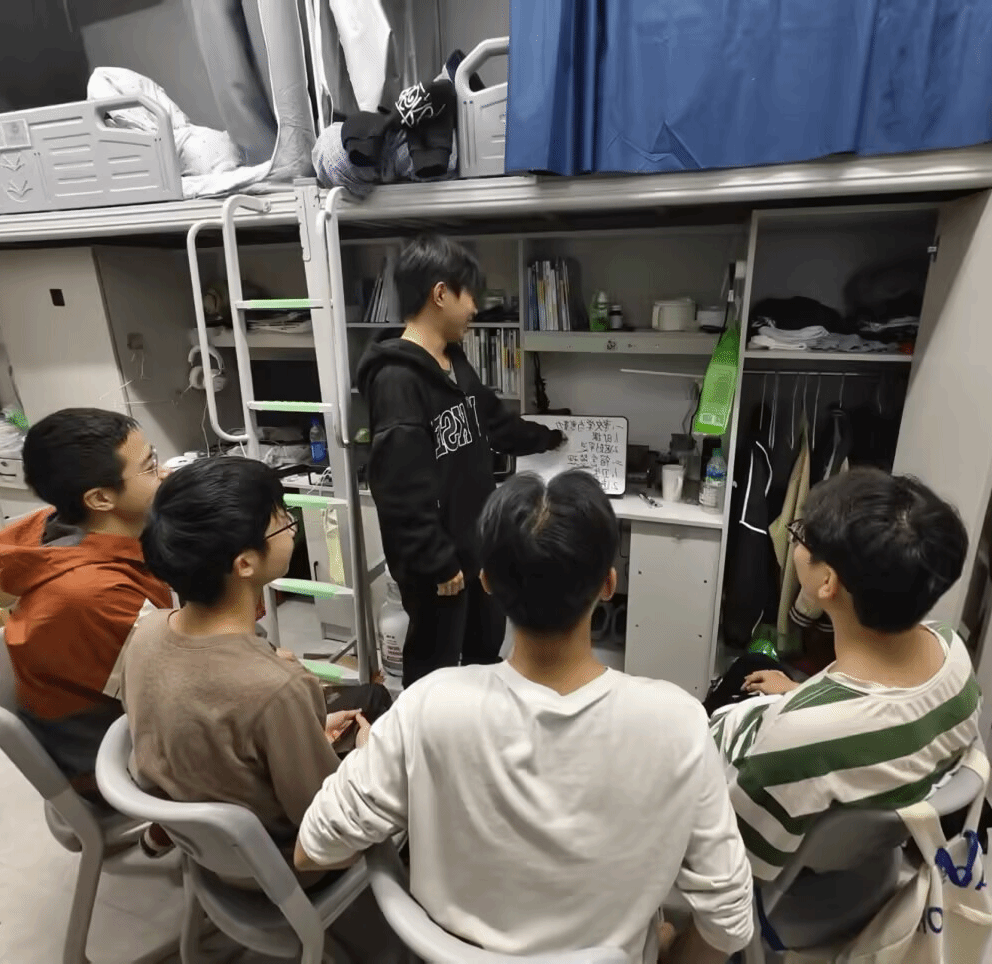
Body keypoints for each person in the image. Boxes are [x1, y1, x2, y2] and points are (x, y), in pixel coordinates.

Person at [296, 471, 754, 964]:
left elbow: (312, 849)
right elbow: (729, 922)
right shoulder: (678, 725)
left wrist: (382, 765)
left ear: (487, 582)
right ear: (609, 584)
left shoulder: (428, 706)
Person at [120, 456, 405, 962]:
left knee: (369, 697)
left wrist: (303, 728)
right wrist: (366, 759)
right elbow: (321, 819)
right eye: (280, 520)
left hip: (204, 841)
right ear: (245, 564)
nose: (290, 528)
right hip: (282, 864)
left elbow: (199, 719)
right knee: (403, 757)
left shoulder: (146, 631)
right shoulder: (277, 687)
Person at [709, 467, 982, 882]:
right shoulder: (953, 651)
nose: (794, 542)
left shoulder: (791, 743)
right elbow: (875, 718)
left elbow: (735, 867)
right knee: (753, 667)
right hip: (868, 851)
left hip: (783, 860)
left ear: (827, 581)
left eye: (801, 534)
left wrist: (795, 710)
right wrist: (799, 692)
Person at [357, 234, 566, 686]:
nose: (474, 307)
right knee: (434, 666)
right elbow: (398, 489)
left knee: (483, 649)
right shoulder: (396, 380)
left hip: (475, 545)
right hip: (437, 562)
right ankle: (428, 730)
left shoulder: (454, 361)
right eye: (469, 294)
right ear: (440, 294)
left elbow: (493, 421)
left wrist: (549, 438)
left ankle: (476, 723)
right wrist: (438, 561)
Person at [0, 408, 171, 799]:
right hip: (111, 758)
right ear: (100, 498)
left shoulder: (79, 530)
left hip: (124, 715)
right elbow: (185, 688)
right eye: (150, 466)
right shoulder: (92, 593)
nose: (165, 473)